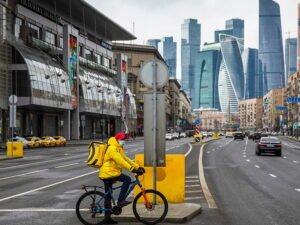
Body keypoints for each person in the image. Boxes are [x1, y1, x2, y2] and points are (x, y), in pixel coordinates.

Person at [99, 132, 145, 224]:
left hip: (111, 172)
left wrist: (137, 167)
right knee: (127, 179)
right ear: (117, 139)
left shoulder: (118, 147)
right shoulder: (112, 148)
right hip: (108, 173)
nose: (124, 141)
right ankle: (120, 201)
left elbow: (125, 159)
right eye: (122, 140)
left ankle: (107, 218)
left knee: (108, 195)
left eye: (124, 140)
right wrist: (133, 170)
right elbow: (120, 161)